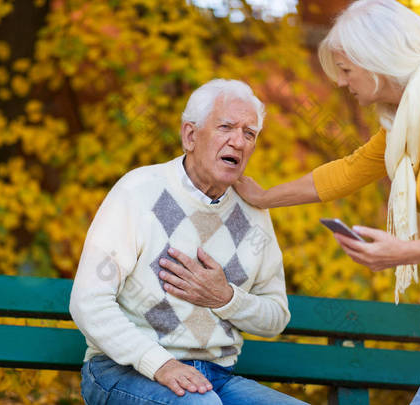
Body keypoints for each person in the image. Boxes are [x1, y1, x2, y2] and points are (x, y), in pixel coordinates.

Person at [233, 0, 420, 404]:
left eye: (346, 70)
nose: (340, 82)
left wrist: (407, 251)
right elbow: (349, 171)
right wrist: (263, 196)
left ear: (376, 62)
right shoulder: (409, 120)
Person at [69, 79, 307, 405]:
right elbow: (88, 302)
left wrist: (226, 298)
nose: (238, 141)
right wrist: (160, 364)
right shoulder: (137, 192)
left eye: (249, 133)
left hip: (217, 377)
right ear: (190, 136)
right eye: (226, 127)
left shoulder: (254, 214)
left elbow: (276, 317)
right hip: (122, 370)